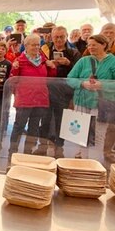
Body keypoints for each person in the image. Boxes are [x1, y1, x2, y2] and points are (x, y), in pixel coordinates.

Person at [67, 34, 115, 162]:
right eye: (89, 45)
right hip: (82, 101)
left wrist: (102, 85)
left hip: (102, 104)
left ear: (103, 45)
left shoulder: (113, 61)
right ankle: (81, 156)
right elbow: (70, 78)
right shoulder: (83, 61)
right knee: (80, 131)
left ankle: (94, 160)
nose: (90, 47)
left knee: (99, 133)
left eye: (94, 45)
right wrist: (82, 84)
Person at [8, 34, 57, 156]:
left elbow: (50, 78)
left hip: (40, 99)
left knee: (34, 128)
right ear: (26, 46)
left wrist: (52, 68)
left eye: (38, 45)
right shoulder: (19, 61)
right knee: (19, 127)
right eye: (33, 44)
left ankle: (27, 152)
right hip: (25, 100)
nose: (36, 47)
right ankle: (12, 152)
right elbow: (12, 80)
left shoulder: (44, 60)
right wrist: (14, 69)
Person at [39, 26, 81, 157]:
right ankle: (42, 145)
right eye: (56, 37)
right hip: (46, 90)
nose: (58, 39)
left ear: (66, 36)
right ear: (51, 37)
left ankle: (59, 147)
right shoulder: (44, 50)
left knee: (60, 120)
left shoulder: (74, 52)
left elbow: (79, 72)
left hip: (64, 93)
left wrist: (69, 63)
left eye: (61, 37)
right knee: (44, 120)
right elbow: (36, 66)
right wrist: (47, 64)